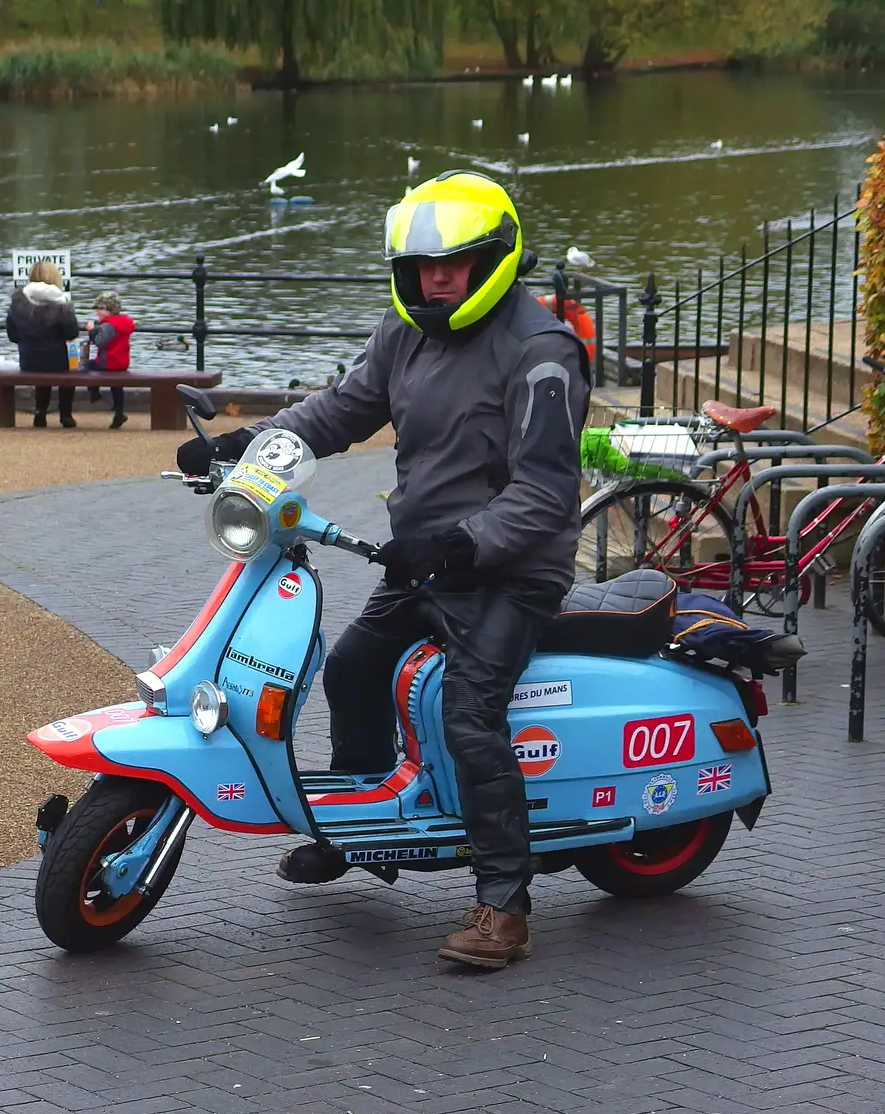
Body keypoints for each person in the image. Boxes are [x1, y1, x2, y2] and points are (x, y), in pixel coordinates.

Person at [177, 171, 590, 970]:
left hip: (509, 571)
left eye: (454, 262)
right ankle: (360, 834)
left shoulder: (540, 352)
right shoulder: (406, 333)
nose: (436, 278)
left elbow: (543, 495)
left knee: (471, 714)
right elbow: (339, 410)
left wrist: (458, 544)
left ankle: (504, 905)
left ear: (494, 259)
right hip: (428, 564)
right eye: (422, 264)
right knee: (352, 668)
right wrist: (246, 444)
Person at [6, 261, 79, 428]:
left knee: (41, 366)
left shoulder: (18, 301)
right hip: (56, 358)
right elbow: (72, 333)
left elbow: (12, 335)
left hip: (28, 359)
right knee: (67, 370)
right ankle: (65, 414)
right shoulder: (61, 302)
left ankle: (40, 410)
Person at [83, 291, 135, 429]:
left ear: (110, 310)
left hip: (108, 362)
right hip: (121, 363)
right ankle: (119, 412)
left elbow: (100, 342)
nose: (97, 312)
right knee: (116, 386)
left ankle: (94, 392)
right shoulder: (124, 322)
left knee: (86, 366)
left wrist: (92, 330)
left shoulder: (108, 325)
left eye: (100, 309)